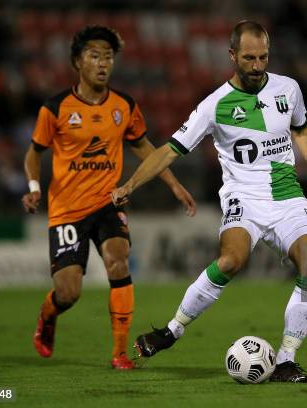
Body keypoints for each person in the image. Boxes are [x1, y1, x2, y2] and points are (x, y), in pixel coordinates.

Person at [112, 20, 307, 382]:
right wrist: (131, 184)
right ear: (232, 56)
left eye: (263, 57)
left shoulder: (288, 88)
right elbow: (170, 150)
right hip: (243, 197)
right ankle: (173, 330)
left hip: (287, 195)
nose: (258, 65)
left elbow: (301, 129)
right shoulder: (213, 106)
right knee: (231, 260)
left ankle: (286, 359)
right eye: (249, 58)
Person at [21, 25, 196, 370]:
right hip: (67, 210)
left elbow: (146, 147)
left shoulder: (124, 106)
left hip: (108, 202)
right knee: (69, 293)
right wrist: (33, 188)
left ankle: (119, 354)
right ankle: (49, 315)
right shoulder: (55, 108)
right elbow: (33, 152)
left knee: (119, 259)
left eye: (108, 57)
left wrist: (174, 185)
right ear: (77, 62)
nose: (103, 63)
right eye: (94, 56)